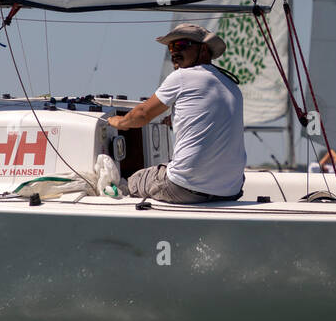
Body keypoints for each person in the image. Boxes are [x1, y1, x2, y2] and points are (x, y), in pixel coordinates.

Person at [106, 24, 247, 203]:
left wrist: (116, 122)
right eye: (170, 48)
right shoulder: (231, 85)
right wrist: (176, 121)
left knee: (131, 181)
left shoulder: (182, 76)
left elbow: (141, 114)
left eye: (180, 45)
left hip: (184, 188)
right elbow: (211, 118)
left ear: (203, 49)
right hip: (230, 190)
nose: (173, 53)